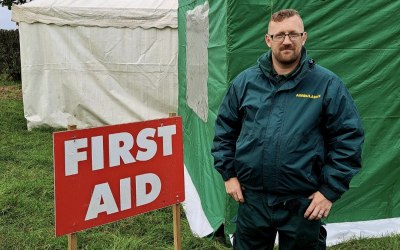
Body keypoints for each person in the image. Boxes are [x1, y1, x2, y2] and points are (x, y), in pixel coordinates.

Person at [211, 9, 364, 250]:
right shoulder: (245, 82)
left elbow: (348, 138)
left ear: (304, 37)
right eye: (279, 34)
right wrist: (228, 175)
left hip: (302, 202)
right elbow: (225, 130)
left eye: (293, 34)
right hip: (253, 199)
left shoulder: (327, 84)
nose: (286, 41)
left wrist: (329, 190)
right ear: (268, 39)